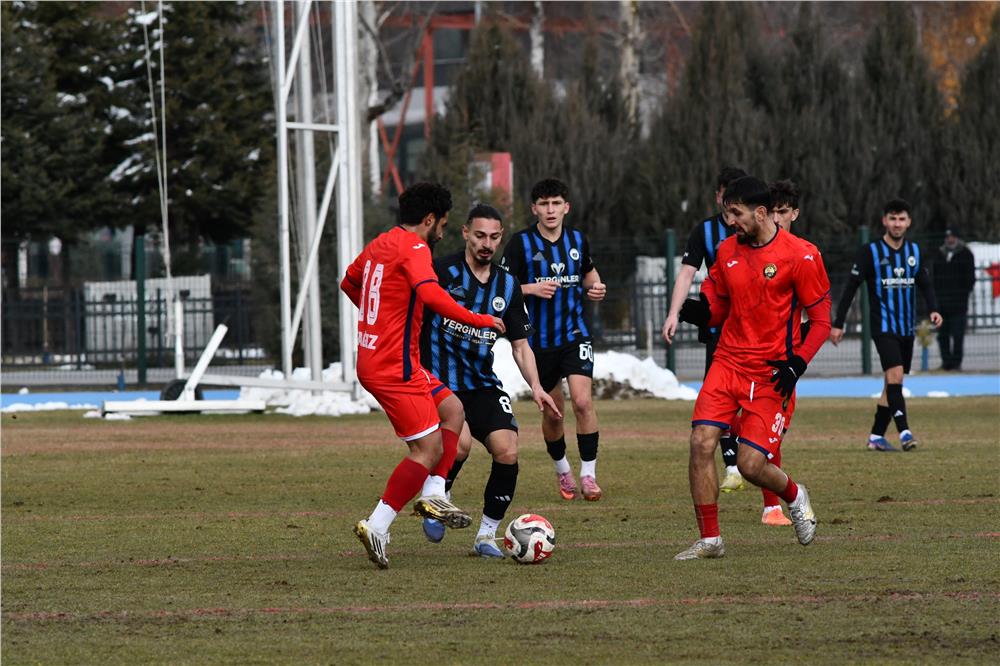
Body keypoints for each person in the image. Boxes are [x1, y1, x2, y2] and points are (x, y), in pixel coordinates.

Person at [340, 182, 505, 569]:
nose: (443, 233)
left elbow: (350, 281)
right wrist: (479, 320)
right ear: (429, 220)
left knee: (453, 409)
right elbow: (432, 296)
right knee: (427, 450)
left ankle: (434, 493)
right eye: (443, 224)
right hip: (392, 366)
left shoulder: (383, 242)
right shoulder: (415, 248)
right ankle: (377, 525)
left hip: (392, 359)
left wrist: (377, 319)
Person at [674, 176, 831, 560]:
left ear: (761, 213)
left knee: (750, 465)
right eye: (727, 212)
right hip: (727, 363)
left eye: (736, 213)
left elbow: (822, 320)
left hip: (771, 373)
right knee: (700, 443)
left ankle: (794, 495)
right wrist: (695, 311)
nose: (729, 221)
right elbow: (718, 308)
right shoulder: (727, 251)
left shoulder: (802, 255)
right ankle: (710, 539)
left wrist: (796, 365)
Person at [419, 204, 561, 558]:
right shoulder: (440, 271)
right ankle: (438, 494)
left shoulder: (507, 284)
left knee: (508, 450)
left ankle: (485, 536)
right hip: (439, 382)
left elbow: (520, 345)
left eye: (494, 237)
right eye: (479, 235)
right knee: (461, 444)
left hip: (481, 382)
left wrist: (537, 386)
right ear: (465, 233)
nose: (486, 243)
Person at [501, 178, 607, 501]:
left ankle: (588, 475)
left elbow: (589, 274)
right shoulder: (520, 244)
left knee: (584, 401)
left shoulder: (578, 240)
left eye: (555, 203)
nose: (550, 210)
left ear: (566, 207)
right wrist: (532, 289)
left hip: (574, 335)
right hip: (537, 342)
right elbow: (500, 287)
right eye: (543, 204)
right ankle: (563, 470)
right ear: (534, 208)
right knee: (553, 412)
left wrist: (597, 287)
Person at [830, 199, 942, 452]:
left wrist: (934, 309)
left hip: (906, 329)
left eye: (902, 219)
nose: (897, 224)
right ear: (884, 221)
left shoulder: (914, 251)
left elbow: (925, 283)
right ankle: (905, 432)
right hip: (883, 328)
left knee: (891, 384)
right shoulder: (870, 252)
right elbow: (850, 289)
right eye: (893, 219)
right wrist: (838, 323)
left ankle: (876, 437)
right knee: (896, 376)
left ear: (909, 221)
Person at [662, 166, 748, 494]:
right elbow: (686, 274)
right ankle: (733, 467)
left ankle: (754, 465)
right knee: (721, 400)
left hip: (755, 334)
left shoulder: (758, 231)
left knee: (752, 404)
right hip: (719, 333)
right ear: (718, 197)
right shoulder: (705, 232)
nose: (731, 207)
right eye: (727, 199)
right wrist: (673, 313)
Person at [932, 227, 976, 371]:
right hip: (942, 303)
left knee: (958, 334)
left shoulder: (966, 254)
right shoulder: (939, 254)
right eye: (948, 237)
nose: (950, 239)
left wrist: (963, 295)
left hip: (958, 303)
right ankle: (946, 362)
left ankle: (956, 363)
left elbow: (970, 279)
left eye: (952, 237)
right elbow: (934, 276)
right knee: (942, 335)